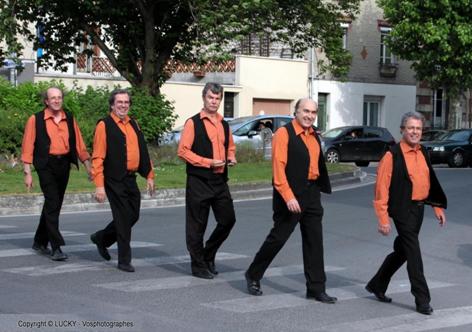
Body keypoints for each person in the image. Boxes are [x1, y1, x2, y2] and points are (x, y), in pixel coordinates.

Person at [245, 98, 337, 304]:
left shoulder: (314, 136)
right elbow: (278, 171)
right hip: (290, 195)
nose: (310, 116)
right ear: (296, 112)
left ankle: (316, 288)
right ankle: (253, 274)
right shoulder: (284, 134)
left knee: (315, 242)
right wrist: (289, 197)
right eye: (305, 111)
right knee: (278, 238)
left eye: (313, 112)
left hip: (312, 194)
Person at [366, 111, 447, 315]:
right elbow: (381, 190)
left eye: (418, 128)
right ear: (402, 130)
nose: (414, 132)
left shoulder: (423, 153)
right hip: (402, 209)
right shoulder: (391, 155)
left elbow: (429, 183)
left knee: (402, 251)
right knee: (413, 253)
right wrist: (383, 219)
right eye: (411, 128)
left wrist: (436, 206)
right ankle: (422, 299)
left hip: (418, 209)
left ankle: (377, 283)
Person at [21, 86, 91, 261]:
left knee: (54, 204)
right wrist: (27, 172)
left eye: (59, 97)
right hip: (46, 165)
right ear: (46, 101)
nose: (57, 100)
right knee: (52, 202)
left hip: (63, 164)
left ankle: (39, 241)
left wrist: (88, 166)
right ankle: (56, 247)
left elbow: (79, 144)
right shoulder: (35, 119)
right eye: (53, 98)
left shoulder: (69, 118)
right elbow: (27, 147)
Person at [90, 89, 155, 272]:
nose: (123, 105)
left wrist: (149, 175)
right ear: (112, 104)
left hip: (130, 178)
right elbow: (98, 157)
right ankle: (124, 260)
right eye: (119, 102)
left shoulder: (134, 123)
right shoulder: (104, 125)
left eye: (126, 102)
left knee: (133, 215)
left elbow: (142, 151)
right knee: (123, 218)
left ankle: (102, 238)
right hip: (113, 179)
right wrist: (99, 186)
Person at [177, 82, 237, 279]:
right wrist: (207, 162)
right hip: (199, 180)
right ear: (204, 98)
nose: (214, 101)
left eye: (217, 98)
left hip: (220, 180)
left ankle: (208, 253)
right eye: (211, 97)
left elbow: (229, 146)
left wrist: (231, 157)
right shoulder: (193, 123)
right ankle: (198, 265)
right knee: (197, 226)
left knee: (228, 220)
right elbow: (183, 151)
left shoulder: (224, 124)